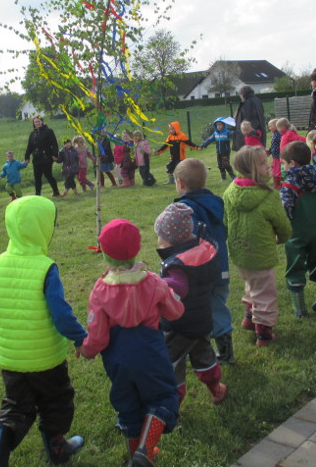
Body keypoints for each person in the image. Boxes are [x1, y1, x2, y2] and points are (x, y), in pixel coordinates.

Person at [0, 196, 86, 466]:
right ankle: (58, 447)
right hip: (45, 360)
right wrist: (79, 337)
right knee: (56, 401)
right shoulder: (46, 268)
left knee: (15, 405)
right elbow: (61, 314)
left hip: (10, 357)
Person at [78, 219, 183, 466]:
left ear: (104, 253)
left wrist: (86, 349)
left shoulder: (100, 289)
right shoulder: (153, 281)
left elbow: (98, 336)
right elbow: (175, 312)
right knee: (162, 397)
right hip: (151, 354)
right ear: (137, 248)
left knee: (128, 403)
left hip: (118, 359)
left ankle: (134, 455)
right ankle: (145, 451)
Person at [154, 202, 227, 406]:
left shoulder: (178, 265)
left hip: (179, 326)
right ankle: (216, 389)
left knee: (172, 362)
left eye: (160, 237)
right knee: (204, 355)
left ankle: (172, 402)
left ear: (170, 240)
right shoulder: (203, 251)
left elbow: (178, 287)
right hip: (202, 321)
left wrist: (157, 284)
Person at [223, 146, 290, 346]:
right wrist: (284, 237)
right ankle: (264, 332)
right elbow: (282, 223)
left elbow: (225, 221)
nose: (268, 166)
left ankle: (249, 317)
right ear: (251, 169)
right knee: (265, 293)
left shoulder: (230, 191)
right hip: (261, 252)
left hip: (239, 250)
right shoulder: (268, 195)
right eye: (262, 163)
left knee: (251, 283)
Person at [173, 159, 234, 364]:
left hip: (199, 272)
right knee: (218, 305)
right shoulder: (215, 202)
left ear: (180, 183)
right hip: (220, 267)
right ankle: (216, 350)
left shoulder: (184, 209)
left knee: (207, 309)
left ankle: (222, 353)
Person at [280, 141, 316, 317]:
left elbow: (285, 210)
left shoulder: (289, 185)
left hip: (296, 233)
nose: (283, 167)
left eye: (284, 163)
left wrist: (279, 229)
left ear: (293, 163)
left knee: (295, 267)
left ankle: (300, 309)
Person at [24, 116, 61, 197]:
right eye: (35, 122)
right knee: (37, 177)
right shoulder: (32, 134)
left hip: (46, 157)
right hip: (36, 158)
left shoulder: (49, 131)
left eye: (38, 121)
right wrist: (27, 156)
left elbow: (54, 144)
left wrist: (55, 155)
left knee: (48, 175)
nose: (37, 123)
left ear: (42, 122)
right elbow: (29, 146)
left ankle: (56, 192)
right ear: (34, 124)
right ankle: (38, 195)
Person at [232, 84, 267, 150]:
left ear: (242, 94)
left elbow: (248, 118)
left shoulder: (247, 102)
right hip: (257, 132)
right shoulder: (257, 100)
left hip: (250, 136)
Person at [267, 119, 283, 188]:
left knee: (276, 171)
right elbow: (273, 145)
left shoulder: (279, 134)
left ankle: (276, 184)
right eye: (269, 126)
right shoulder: (274, 135)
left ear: (277, 126)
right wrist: (269, 152)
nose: (269, 128)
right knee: (275, 169)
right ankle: (277, 183)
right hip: (275, 156)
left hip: (278, 156)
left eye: (270, 126)